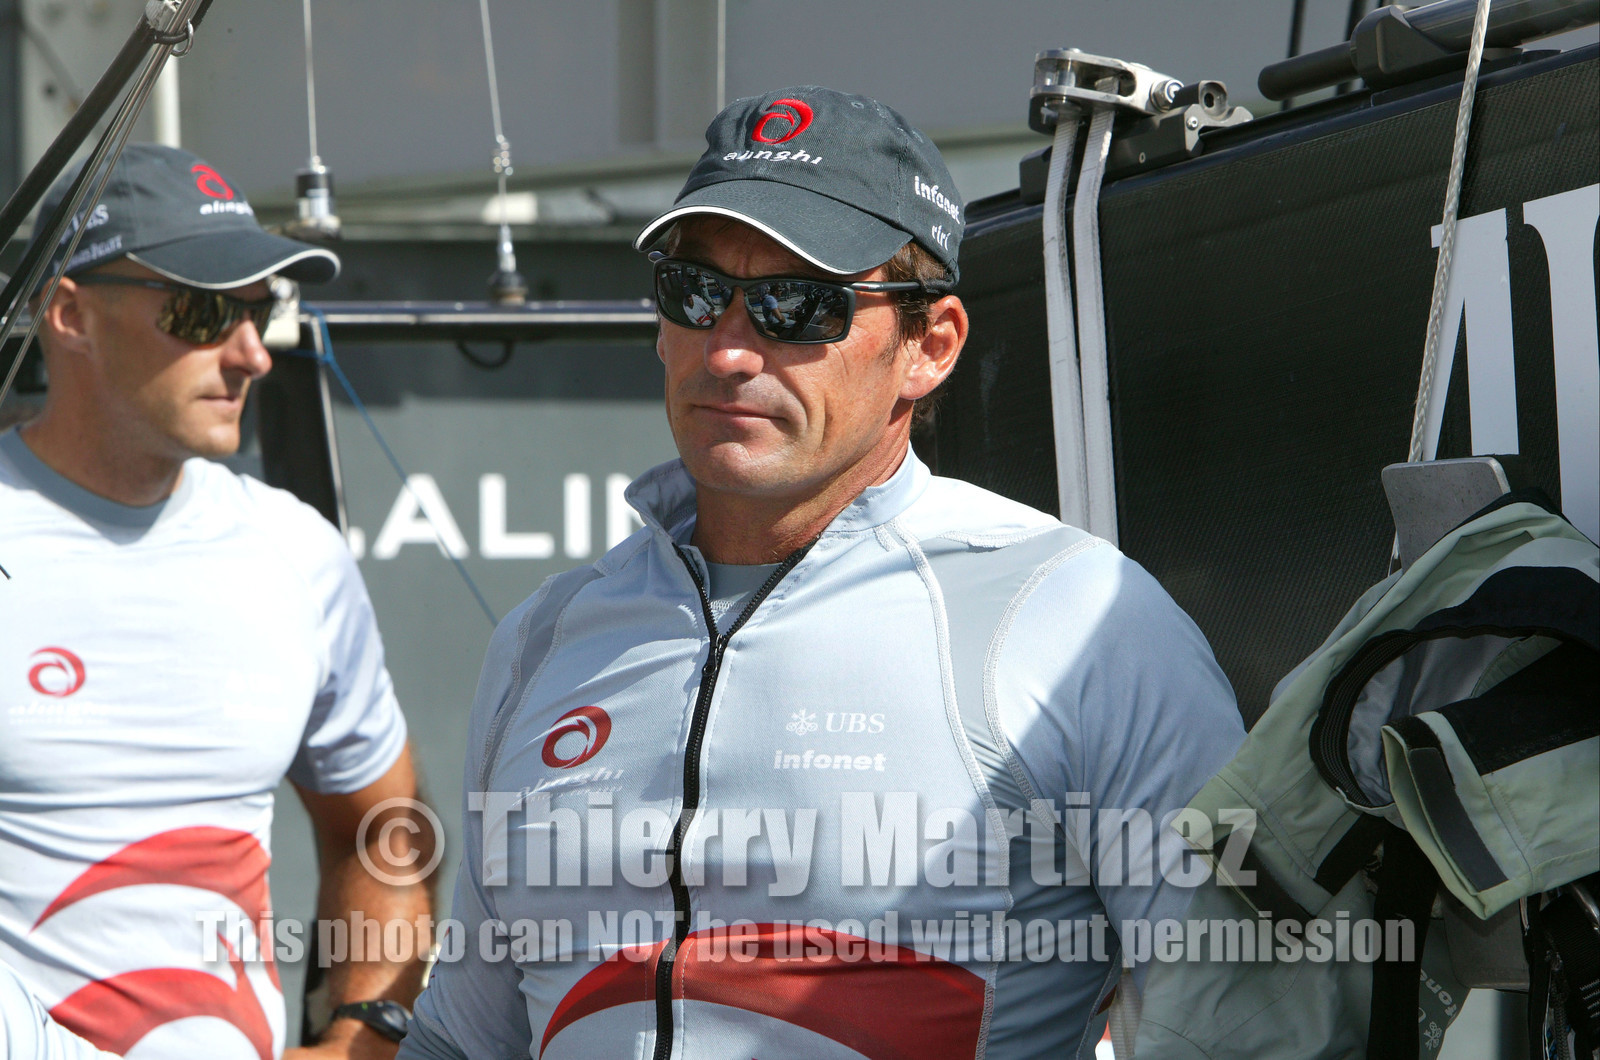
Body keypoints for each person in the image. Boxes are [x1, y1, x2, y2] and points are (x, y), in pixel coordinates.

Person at [399, 87, 1244, 1060]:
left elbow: (1252, 1025)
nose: (726, 348)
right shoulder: (547, 636)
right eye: (695, 290)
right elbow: (467, 1041)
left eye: (797, 304)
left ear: (930, 347)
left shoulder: (1077, 618)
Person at [0, 145, 435, 1059]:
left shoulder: (295, 549)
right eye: (202, 311)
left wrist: (364, 1033)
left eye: (258, 310)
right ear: (69, 312)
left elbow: (383, 829)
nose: (251, 355)